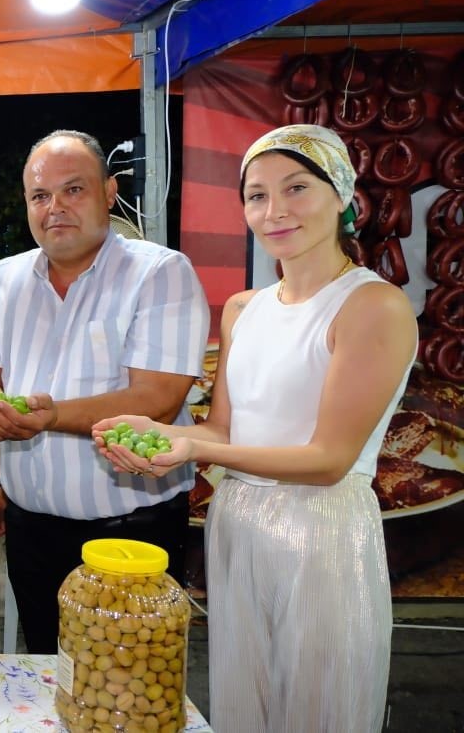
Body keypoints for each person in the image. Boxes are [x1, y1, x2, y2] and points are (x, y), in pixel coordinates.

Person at [94, 124, 415, 731]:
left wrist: (191, 448)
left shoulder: (373, 306)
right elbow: (224, 430)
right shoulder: (245, 308)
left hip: (320, 531)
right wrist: (165, 433)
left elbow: (328, 458)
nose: (275, 211)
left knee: (320, 706)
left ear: (342, 194)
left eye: (297, 188)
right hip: (236, 521)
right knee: (245, 702)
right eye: (257, 195)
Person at [0, 129, 209, 654]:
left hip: (132, 535)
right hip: (33, 533)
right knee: (52, 671)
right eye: (40, 196)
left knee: (129, 686)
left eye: (73, 190)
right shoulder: (4, 281)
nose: (55, 208)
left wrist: (45, 417)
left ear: (109, 192)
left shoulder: (159, 273)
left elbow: (156, 399)